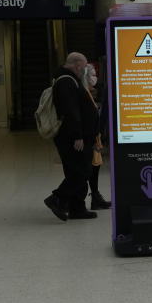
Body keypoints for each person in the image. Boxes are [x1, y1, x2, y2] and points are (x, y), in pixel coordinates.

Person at [44, 52, 99, 221]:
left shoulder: (68, 79)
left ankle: (77, 208)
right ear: (77, 65)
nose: (85, 70)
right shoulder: (66, 81)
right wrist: (78, 135)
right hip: (73, 137)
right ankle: (57, 198)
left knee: (75, 170)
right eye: (84, 67)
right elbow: (70, 110)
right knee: (82, 170)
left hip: (76, 135)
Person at [84, 63, 111, 210]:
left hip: (95, 138)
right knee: (90, 169)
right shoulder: (84, 93)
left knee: (95, 167)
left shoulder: (89, 92)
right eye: (92, 75)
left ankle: (95, 196)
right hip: (91, 139)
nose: (95, 77)